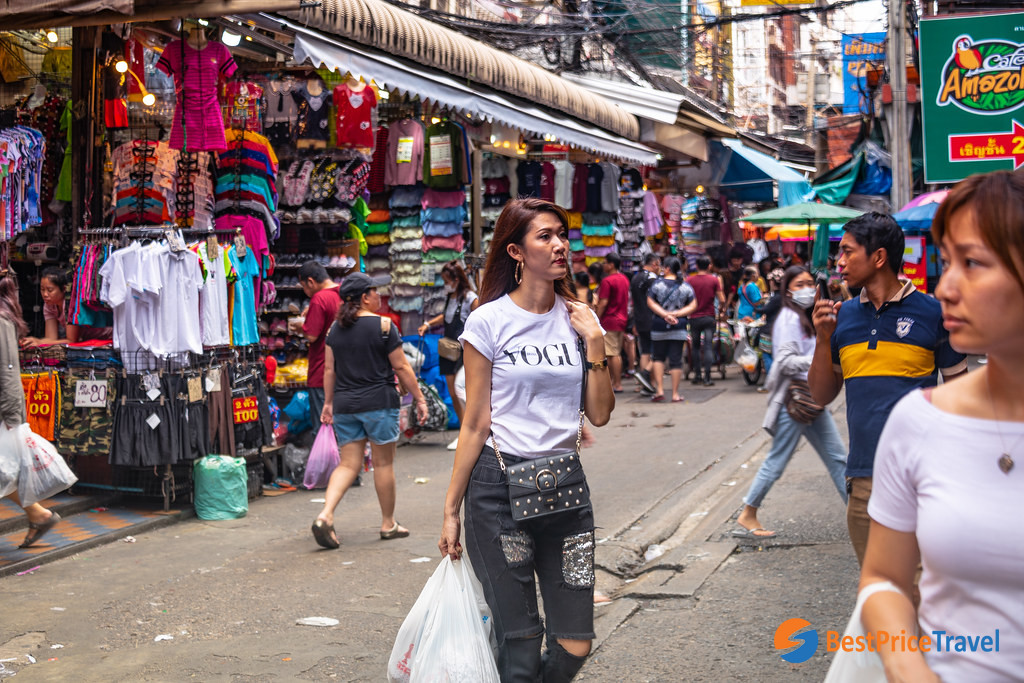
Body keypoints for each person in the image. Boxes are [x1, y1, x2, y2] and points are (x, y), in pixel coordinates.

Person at [438, 198, 614, 682]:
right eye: (545, 236)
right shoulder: (488, 321)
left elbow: (597, 413)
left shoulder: (579, 320)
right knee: (519, 644)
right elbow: (475, 421)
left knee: (575, 641)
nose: (560, 245)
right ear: (516, 251)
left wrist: (596, 343)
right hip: (497, 492)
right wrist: (451, 510)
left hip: (566, 492)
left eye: (562, 233)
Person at [858, 171, 1024, 681]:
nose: (946, 287)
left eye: (972, 263)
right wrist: (907, 665)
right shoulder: (921, 421)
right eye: (947, 261)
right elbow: (883, 578)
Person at [808, 211, 967, 567]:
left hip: (920, 479)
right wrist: (822, 339)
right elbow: (820, 396)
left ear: (878, 257)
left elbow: (961, 398)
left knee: (921, 593)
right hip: (863, 479)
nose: (840, 261)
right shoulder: (842, 316)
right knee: (878, 590)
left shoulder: (934, 314)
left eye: (848, 251)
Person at [311, 273, 429, 549]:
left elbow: (329, 370)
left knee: (348, 464)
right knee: (383, 464)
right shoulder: (384, 326)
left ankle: (325, 515)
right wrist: (419, 397)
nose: (379, 296)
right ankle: (388, 523)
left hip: (345, 405)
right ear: (365, 297)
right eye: (376, 292)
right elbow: (401, 367)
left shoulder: (334, 331)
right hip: (379, 403)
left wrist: (328, 403)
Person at [734, 266, 848, 539]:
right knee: (779, 459)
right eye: (800, 284)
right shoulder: (788, 318)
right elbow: (784, 361)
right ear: (787, 290)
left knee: (838, 459)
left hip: (810, 399)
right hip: (795, 400)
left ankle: (862, 515)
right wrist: (820, 363)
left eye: (810, 283)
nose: (807, 288)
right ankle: (748, 513)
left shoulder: (802, 316)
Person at [0, 274, 61, 548]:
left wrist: (12, 415)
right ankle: (38, 513)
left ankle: (38, 513)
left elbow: (6, 371)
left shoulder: (1, 321)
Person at [417, 261, 479, 450]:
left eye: (447, 280)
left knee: (463, 391)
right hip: (448, 349)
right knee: (453, 392)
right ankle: (463, 430)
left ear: (457, 279)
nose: (445, 284)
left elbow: (481, 319)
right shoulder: (450, 296)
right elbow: (446, 317)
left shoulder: (470, 297)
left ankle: (472, 431)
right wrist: (428, 324)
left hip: (464, 350)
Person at [292, 260, 341, 433]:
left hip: (321, 371)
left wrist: (300, 327)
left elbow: (312, 335)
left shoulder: (319, 298)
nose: (305, 291)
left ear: (311, 282)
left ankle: (327, 460)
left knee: (323, 427)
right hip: (342, 371)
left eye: (303, 286)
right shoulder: (342, 294)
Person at [645, 256, 696, 403]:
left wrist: (665, 315)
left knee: (658, 357)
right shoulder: (685, 286)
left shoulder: (657, 285)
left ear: (667, 268)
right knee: (676, 360)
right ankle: (675, 394)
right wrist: (676, 314)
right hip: (679, 325)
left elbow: (650, 302)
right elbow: (693, 305)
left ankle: (660, 390)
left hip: (659, 325)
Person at [21, 267, 110, 347]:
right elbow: (51, 338)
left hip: (106, 336)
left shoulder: (71, 304)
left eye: (50, 290)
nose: (45, 294)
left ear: (64, 289)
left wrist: (39, 342)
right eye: (42, 289)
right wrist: (34, 341)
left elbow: (71, 340)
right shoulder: (49, 305)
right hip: (88, 339)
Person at [686, 256, 724, 386]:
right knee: (708, 345)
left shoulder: (689, 280)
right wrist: (721, 309)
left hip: (694, 317)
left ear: (696, 266)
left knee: (695, 346)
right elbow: (722, 299)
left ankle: (697, 375)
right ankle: (707, 377)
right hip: (709, 316)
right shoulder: (714, 280)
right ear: (709, 266)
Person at [595, 252, 629, 393]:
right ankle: (616, 382)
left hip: (610, 320)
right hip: (621, 319)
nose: (603, 265)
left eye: (605, 263)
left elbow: (603, 303)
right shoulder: (624, 279)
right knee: (616, 352)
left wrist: (596, 318)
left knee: (612, 353)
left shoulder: (607, 281)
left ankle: (616, 384)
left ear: (611, 264)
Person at [629, 254, 660, 394]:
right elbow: (656, 299)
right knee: (658, 351)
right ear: (655, 264)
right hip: (652, 318)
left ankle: (645, 385)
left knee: (645, 351)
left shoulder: (635, 278)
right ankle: (648, 379)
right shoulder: (652, 279)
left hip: (640, 319)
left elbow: (634, 302)